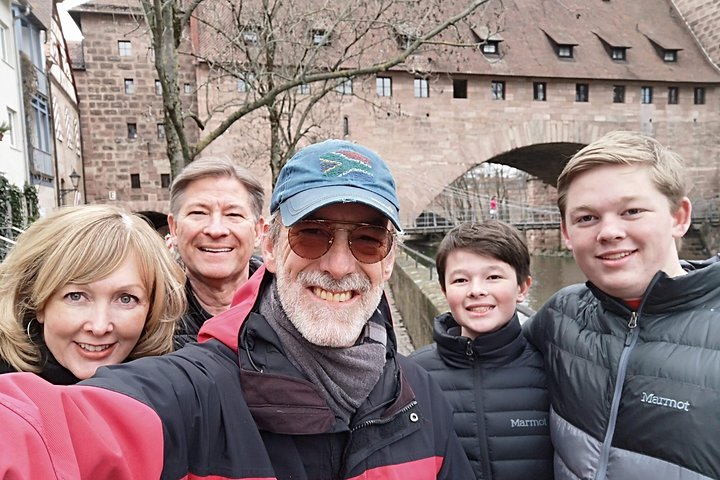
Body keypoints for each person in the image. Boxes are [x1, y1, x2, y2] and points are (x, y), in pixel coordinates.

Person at [0, 139, 474, 479]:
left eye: (369, 241)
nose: (337, 264)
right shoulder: (199, 390)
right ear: (269, 245)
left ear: (390, 261)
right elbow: (50, 432)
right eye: (311, 234)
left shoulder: (421, 399)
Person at [524, 131, 720, 478]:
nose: (609, 232)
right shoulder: (560, 316)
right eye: (586, 218)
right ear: (566, 233)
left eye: (632, 211)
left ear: (679, 217)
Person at [411, 220, 552, 480]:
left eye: (494, 277)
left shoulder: (552, 366)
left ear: (522, 288)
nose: (477, 290)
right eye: (461, 279)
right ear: (444, 289)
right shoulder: (414, 374)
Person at [0, 204, 186, 384]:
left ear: (152, 309)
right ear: (37, 302)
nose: (99, 327)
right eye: (76, 296)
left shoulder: (172, 384)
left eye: (125, 299)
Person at [167, 157, 265, 347]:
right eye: (199, 213)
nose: (216, 230)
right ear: (174, 228)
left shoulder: (292, 309)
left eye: (233, 215)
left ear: (258, 231)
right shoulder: (148, 317)